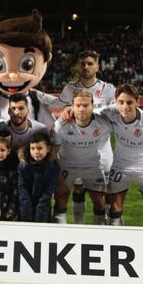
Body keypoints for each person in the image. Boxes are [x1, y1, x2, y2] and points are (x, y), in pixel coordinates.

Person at [37, 50, 116, 224]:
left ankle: (109, 232)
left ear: (98, 66)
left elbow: (114, 114)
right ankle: (77, 228)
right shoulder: (70, 88)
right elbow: (57, 103)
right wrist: (36, 94)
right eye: (82, 64)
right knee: (76, 191)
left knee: (103, 197)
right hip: (74, 149)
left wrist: (79, 110)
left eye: (90, 63)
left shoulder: (108, 89)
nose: (86, 67)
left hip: (101, 152)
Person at [96, 84, 143, 227]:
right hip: (121, 166)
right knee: (114, 209)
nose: (124, 106)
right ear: (115, 101)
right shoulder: (111, 112)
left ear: (137, 102)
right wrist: (70, 110)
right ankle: (117, 243)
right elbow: (91, 112)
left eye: (129, 102)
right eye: (121, 102)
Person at [0, 10, 55, 127]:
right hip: (0, 145)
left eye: (27, 65)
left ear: (47, 58)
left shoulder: (37, 103)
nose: (13, 76)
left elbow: (53, 127)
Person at [51, 88, 112, 224]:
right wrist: (55, 174)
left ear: (93, 106)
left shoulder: (103, 124)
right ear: (72, 106)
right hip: (67, 165)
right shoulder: (61, 125)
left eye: (85, 105)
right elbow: (54, 151)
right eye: (78, 105)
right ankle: (60, 237)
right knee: (61, 200)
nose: (82, 109)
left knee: (99, 202)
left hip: (92, 166)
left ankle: (100, 238)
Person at [0, 92, 50, 159]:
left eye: (21, 108)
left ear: (28, 111)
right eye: (13, 108)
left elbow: (49, 156)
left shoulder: (40, 129)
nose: (17, 112)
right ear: (9, 111)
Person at [17, 130, 59, 223]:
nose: (36, 152)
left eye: (39, 148)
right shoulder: (23, 166)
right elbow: (23, 191)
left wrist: (40, 221)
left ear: (48, 149)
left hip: (44, 209)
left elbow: (47, 193)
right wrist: (26, 219)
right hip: (25, 208)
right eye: (33, 148)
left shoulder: (53, 167)